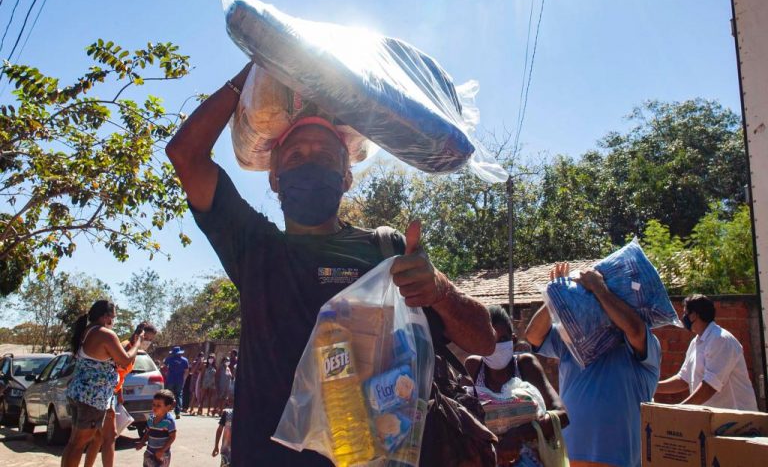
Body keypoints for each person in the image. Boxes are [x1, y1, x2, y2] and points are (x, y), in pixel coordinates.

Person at [165, 62, 496, 465]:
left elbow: (484, 340)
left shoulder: (385, 249)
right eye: (297, 155)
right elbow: (185, 153)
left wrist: (440, 291)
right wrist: (261, 62)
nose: (311, 162)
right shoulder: (255, 248)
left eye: (325, 155)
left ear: (345, 177)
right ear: (274, 179)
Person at [525, 263, 661, 467]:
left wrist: (599, 288)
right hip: (571, 455)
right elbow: (533, 336)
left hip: (620, 458)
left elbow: (634, 329)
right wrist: (555, 297)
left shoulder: (643, 343)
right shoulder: (571, 341)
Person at [465, 306, 569, 465]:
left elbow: (562, 415)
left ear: (513, 341)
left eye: (502, 340)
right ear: (480, 343)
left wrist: (519, 434)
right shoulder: (474, 367)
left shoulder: (525, 365)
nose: (496, 346)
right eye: (490, 340)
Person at [61, 300, 144, 467]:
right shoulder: (105, 334)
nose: (113, 321)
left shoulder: (87, 331)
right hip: (92, 398)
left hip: (80, 393)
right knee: (78, 444)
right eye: (113, 317)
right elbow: (125, 360)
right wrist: (138, 343)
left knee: (74, 442)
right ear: (105, 316)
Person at [655, 294, 757, 410]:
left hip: (737, 421)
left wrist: (679, 410)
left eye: (685, 313)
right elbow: (683, 379)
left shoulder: (720, 340)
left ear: (694, 315)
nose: (683, 318)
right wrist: (651, 387)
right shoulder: (696, 342)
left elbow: (710, 386)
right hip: (712, 420)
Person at [84, 322, 158, 467]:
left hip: (112, 393)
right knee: (109, 438)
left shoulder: (133, 350)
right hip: (106, 394)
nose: (148, 342)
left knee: (99, 438)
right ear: (138, 335)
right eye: (146, 338)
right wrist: (113, 396)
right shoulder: (125, 348)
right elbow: (112, 371)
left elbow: (120, 376)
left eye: (151, 339)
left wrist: (120, 393)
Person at [136, 389, 177, 467]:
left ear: (167, 407)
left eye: (158, 405)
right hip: (149, 452)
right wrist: (142, 442)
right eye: (153, 404)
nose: (155, 407)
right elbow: (148, 432)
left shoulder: (169, 421)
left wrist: (162, 450)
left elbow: (172, 437)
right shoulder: (151, 418)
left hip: (161, 455)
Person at [163, 347, 189, 419]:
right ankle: (177, 413)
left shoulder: (169, 359)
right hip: (179, 381)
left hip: (170, 380)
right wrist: (184, 380)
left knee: (168, 396)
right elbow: (186, 371)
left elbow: (164, 368)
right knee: (178, 396)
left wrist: (166, 374)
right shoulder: (184, 360)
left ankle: (166, 412)